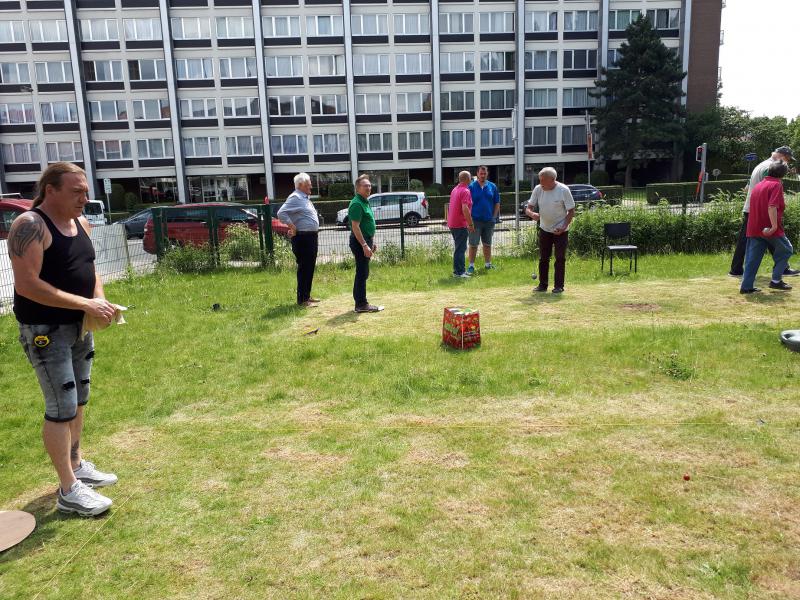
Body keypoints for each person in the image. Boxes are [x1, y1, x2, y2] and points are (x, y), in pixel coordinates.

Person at [8, 162, 118, 517]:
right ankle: (68, 489)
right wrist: (86, 302)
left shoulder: (81, 223)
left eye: (85, 191)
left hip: (78, 327)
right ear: (50, 190)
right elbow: (28, 285)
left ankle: (77, 463)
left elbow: (91, 268)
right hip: (45, 331)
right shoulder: (29, 225)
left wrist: (98, 301)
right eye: (76, 191)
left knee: (79, 397)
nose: (85, 198)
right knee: (60, 407)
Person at [730, 146, 796, 277]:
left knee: (752, 239)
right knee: (775, 236)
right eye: (787, 159)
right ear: (781, 156)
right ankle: (782, 269)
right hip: (762, 210)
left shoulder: (761, 165)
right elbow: (770, 189)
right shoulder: (771, 168)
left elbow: (746, 188)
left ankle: (736, 269)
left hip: (751, 208)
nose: (787, 163)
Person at [740, 161, 794, 294]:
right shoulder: (776, 185)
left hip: (753, 227)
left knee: (752, 258)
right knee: (787, 250)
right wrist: (774, 226)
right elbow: (772, 206)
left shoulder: (759, 185)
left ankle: (746, 287)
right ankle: (776, 281)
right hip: (769, 227)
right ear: (783, 174)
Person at [526, 167, 576, 294]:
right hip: (544, 228)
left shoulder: (563, 190)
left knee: (560, 258)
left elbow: (571, 211)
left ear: (553, 180)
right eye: (540, 180)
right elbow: (528, 208)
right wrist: (532, 214)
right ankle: (543, 285)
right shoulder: (538, 189)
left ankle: (559, 286)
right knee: (543, 258)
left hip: (561, 230)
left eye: (543, 180)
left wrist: (563, 227)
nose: (541, 183)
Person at [277, 172, 320, 307]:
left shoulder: (304, 198)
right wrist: (292, 226)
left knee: (310, 267)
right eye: (308, 184)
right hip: (303, 238)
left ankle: (306, 296)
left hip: (310, 237)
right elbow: (281, 213)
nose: (311, 186)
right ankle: (302, 300)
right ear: (301, 185)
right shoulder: (295, 197)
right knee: (304, 268)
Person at [348, 174, 381, 313]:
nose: (369, 187)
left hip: (366, 240)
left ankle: (361, 303)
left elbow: (367, 224)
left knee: (363, 272)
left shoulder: (364, 201)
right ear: (358, 188)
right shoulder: (357, 203)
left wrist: (370, 242)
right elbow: (355, 227)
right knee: (362, 273)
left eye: (369, 185)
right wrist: (364, 245)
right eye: (365, 185)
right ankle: (361, 304)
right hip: (359, 242)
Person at [467, 166, 500, 273]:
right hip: (475, 221)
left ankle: (488, 264)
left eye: (484, 173)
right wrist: (469, 220)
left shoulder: (492, 186)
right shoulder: (471, 187)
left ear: (487, 174)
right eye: (480, 173)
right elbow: (466, 204)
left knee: (487, 244)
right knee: (473, 245)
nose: (482, 175)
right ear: (477, 173)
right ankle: (471, 266)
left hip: (489, 221)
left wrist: (494, 217)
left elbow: (497, 203)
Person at [447, 171, 475, 278]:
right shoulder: (465, 191)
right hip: (460, 224)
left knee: (459, 248)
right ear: (468, 179)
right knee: (461, 248)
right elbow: (465, 208)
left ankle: (459, 270)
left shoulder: (455, 189)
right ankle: (459, 272)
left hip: (452, 223)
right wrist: (470, 224)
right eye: (471, 178)